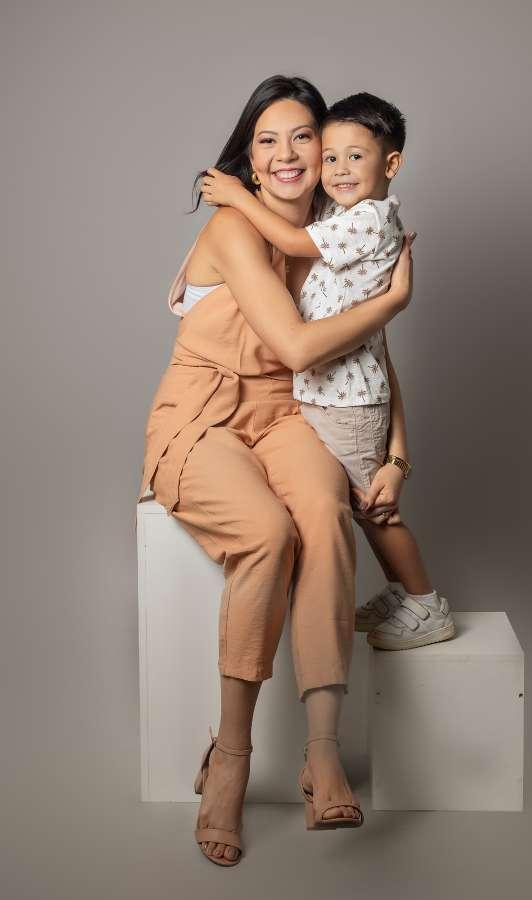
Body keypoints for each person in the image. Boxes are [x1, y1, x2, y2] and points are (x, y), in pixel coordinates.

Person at [136, 75, 414, 867]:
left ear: (327, 151)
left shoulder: (337, 228)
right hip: (204, 414)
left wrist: (396, 456)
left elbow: (367, 357)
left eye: (303, 138)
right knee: (266, 534)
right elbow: (297, 344)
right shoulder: (233, 225)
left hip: (291, 411)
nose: (287, 154)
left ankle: (321, 753)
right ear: (249, 159)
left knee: (324, 518)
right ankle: (230, 755)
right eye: (267, 140)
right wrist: (393, 300)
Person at [201, 91, 455, 652]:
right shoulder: (343, 212)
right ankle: (401, 593)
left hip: (348, 401)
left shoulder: (366, 220)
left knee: (374, 511)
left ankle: (424, 602)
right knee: (357, 506)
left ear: (391, 164)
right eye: (332, 156)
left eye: (354, 157)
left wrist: (236, 196)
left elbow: (293, 242)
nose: (338, 170)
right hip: (329, 395)